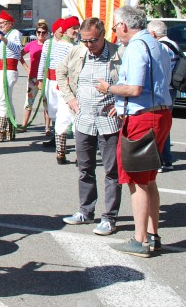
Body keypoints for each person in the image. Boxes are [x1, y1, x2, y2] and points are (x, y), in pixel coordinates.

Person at [96, 5, 173, 258]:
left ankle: (140, 240)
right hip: (159, 113)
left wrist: (109, 89)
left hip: (143, 117)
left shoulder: (137, 47)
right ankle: (152, 234)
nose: (115, 31)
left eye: (115, 26)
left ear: (124, 26)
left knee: (137, 180)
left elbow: (134, 88)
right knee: (149, 179)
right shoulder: (156, 44)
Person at [58, 17, 123, 235]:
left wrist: (122, 104)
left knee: (112, 171)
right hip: (84, 120)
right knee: (84, 168)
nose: (88, 45)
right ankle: (86, 210)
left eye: (92, 41)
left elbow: (133, 81)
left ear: (103, 35)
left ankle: (109, 217)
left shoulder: (119, 54)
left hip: (109, 122)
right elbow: (61, 71)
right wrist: (69, 98)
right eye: (84, 40)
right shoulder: (78, 52)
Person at [39, 17, 80, 163]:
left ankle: (61, 153)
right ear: (65, 30)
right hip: (66, 86)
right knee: (73, 117)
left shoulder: (73, 45)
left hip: (62, 84)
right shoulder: (71, 47)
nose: (76, 31)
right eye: (73, 28)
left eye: (77, 27)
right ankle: (69, 153)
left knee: (63, 116)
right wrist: (40, 79)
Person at [147, 19, 178, 172]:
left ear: (153, 33)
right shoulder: (173, 45)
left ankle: (158, 160)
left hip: (163, 90)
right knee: (165, 124)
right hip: (172, 89)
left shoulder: (161, 47)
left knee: (158, 125)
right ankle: (167, 160)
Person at [0, 10, 24, 142]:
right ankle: (10, 130)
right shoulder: (7, 35)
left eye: (2, 23)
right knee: (5, 101)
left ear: (9, 23)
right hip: (2, 71)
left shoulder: (14, 34)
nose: (0, 26)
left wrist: (4, 39)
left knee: (3, 101)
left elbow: (17, 49)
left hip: (8, 70)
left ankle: (1, 130)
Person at [20, 22, 50, 133]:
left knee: (47, 104)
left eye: (43, 32)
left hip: (45, 79)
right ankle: (24, 125)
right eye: (38, 32)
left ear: (47, 33)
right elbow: (20, 56)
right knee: (28, 102)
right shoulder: (31, 45)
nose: (41, 35)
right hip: (33, 78)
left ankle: (47, 127)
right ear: (36, 33)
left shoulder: (49, 45)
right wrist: (27, 69)